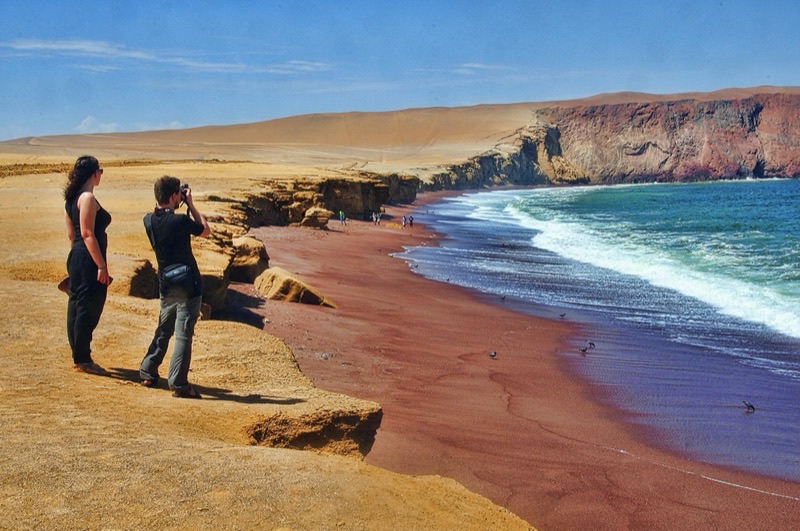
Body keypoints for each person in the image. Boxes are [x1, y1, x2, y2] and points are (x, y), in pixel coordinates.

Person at [139, 176, 210, 398]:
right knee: (183, 334)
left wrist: (176, 201)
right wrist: (191, 205)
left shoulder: (148, 220)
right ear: (173, 196)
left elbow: (157, 213)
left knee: (164, 328)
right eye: (178, 194)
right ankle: (178, 383)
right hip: (188, 285)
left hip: (166, 284)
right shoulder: (180, 222)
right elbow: (205, 230)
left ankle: (148, 369)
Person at [64, 155, 112, 375]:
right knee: (89, 305)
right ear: (94, 173)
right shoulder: (87, 198)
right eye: (99, 171)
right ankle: (83, 358)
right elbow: (86, 233)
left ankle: (79, 354)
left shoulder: (71, 199)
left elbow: (71, 235)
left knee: (76, 303)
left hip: (77, 256)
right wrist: (100, 265)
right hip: (88, 259)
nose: (100, 174)